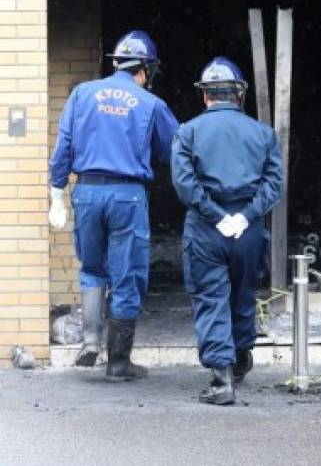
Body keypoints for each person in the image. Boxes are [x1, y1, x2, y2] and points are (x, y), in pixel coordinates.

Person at [48, 30, 179, 381]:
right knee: (127, 274)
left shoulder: (81, 94)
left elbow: (62, 148)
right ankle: (118, 363)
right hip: (126, 195)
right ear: (146, 69)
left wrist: (57, 195)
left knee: (92, 266)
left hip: (87, 191)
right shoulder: (151, 104)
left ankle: (91, 340)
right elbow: (174, 152)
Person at [171, 57, 283, 405]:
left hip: (207, 227)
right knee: (243, 293)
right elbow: (274, 183)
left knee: (210, 297)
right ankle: (242, 358)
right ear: (239, 95)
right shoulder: (263, 134)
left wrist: (216, 215)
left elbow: (184, 183)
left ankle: (221, 380)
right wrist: (246, 215)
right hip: (247, 228)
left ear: (205, 96)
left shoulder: (187, 132)